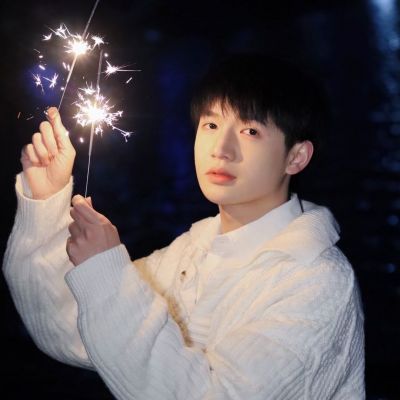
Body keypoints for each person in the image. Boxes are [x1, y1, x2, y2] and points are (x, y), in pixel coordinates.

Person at [3, 54, 365, 399]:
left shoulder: (318, 281)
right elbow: (68, 326)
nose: (221, 149)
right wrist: (45, 201)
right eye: (211, 125)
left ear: (296, 157)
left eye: (250, 131)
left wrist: (108, 273)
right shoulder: (189, 254)